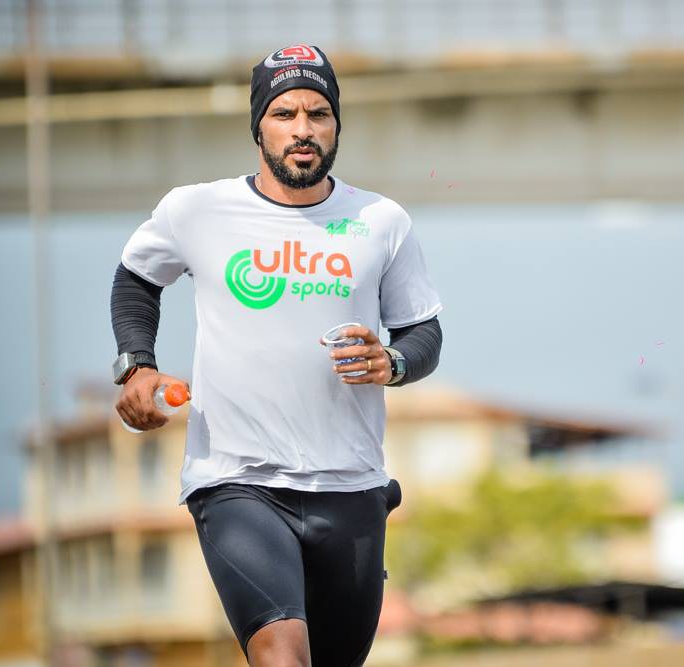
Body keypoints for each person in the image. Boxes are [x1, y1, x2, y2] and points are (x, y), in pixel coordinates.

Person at [108, 43, 444, 667]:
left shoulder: (381, 220)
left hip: (351, 485)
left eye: (319, 113)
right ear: (258, 126)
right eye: (284, 114)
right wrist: (136, 364)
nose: (302, 129)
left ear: (336, 124)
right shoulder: (197, 210)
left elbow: (422, 333)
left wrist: (393, 363)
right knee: (283, 657)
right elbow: (136, 279)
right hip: (237, 482)